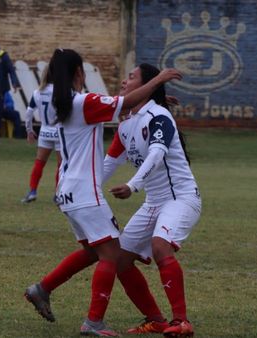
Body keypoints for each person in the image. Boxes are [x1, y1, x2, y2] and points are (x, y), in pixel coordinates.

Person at [24, 49, 181, 337]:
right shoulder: (83, 101)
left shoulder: (62, 105)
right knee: (111, 253)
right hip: (85, 192)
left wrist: (150, 104)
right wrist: (158, 81)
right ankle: (93, 323)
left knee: (93, 251)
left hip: (66, 191)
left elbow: (126, 107)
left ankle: (42, 288)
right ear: (78, 74)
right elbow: (126, 102)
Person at [103, 63, 201, 337]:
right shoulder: (126, 125)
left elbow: (156, 155)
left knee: (160, 246)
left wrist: (133, 186)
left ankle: (181, 321)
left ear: (148, 85)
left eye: (131, 77)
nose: (124, 81)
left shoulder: (159, 116)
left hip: (181, 198)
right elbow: (108, 164)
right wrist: (81, 188)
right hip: (153, 202)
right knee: (120, 260)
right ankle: (156, 320)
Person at [21, 67, 61, 203]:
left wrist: (29, 130)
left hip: (45, 132)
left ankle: (32, 191)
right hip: (59, 132)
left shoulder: (37, 92)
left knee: (39, 163)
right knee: (61, 165)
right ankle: (58, 194)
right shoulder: (61, 91)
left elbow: (28, 113)